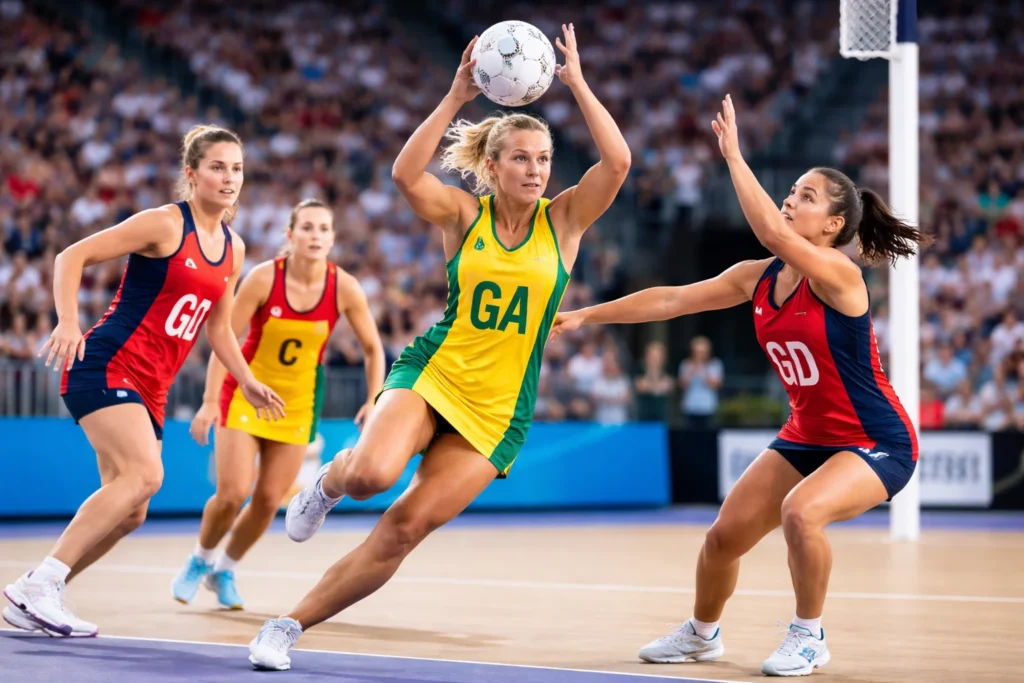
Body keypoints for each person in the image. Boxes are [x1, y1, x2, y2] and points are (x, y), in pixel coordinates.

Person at [247, 24, 631, 671]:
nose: (536, 170)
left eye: (542, 159)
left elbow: (617, 163)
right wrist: (455, 96)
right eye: (521, 158)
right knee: (370, 476)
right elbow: (404, 174)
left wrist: (579, 85)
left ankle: (287, 625)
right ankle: (331, 479)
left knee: (404, 528)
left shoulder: (564, 221)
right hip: (434, 372)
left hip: (500, 410)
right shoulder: (463, 215)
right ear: (492, 166)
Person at [550, 94, 927, 677]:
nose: (790, 198)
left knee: (801, 513)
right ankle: (702, 635)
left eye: (806, 195)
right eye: (792, 189)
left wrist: (734, 157)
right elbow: (672, 300)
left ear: (832, 225)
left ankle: (809, 637)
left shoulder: (841, 276)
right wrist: (587, 315)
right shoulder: (757, 278)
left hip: (876, 440)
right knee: (723, 537)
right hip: (807, 434)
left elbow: (777, 238)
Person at [2, 125, 284, 638]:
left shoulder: (234, 248)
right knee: (146, 476)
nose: (229, 178)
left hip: (152, 385)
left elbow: (217, 326)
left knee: (131, 511)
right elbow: (71, 257)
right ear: (191, 173)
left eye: (236, 168)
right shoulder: (163, 224)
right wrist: (67, 321)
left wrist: (244, 380)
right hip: (107, 362)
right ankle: (39, 584)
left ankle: (41, 590)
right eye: (217, 167)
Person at [170, 199, 385, 609]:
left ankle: (225, 570)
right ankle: (200, 560)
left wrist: (373, 399)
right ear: (290, 235)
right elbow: (223, 339)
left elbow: (374, 349)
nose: (316, 236)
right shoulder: (263, 278)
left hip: (298, 405)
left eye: (324, 229)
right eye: (307, 227)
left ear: (333, 238)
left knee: (270, 500)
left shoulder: (345, 287)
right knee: (232, 493)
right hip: (245, 394)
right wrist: (210, 400)